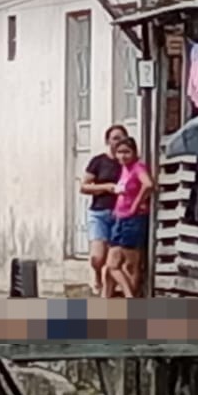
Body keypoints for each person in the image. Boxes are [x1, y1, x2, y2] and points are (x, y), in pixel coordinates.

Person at [80, 124, 129, 294]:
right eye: (115, 138)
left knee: (113, 257)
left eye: (122, 138)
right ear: (108, 141)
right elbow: (84, 186)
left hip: (120, 213)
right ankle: (96, 275)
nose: (118, 142)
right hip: (99, 212)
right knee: (97, 256)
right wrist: (107, 187)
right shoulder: (98, 161)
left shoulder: (127, 163)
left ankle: (107, 292)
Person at [103, 136, 153, 298]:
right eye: (119, 152)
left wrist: (135, 206)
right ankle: (128, 296)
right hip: (119, 218)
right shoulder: (124, 169)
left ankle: (130, 298)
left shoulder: (138, 167)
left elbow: (148, 185)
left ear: (134, 152)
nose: (123, 156)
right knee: (112, 265)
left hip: (133, 219)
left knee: (132, 265)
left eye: (126, 152)